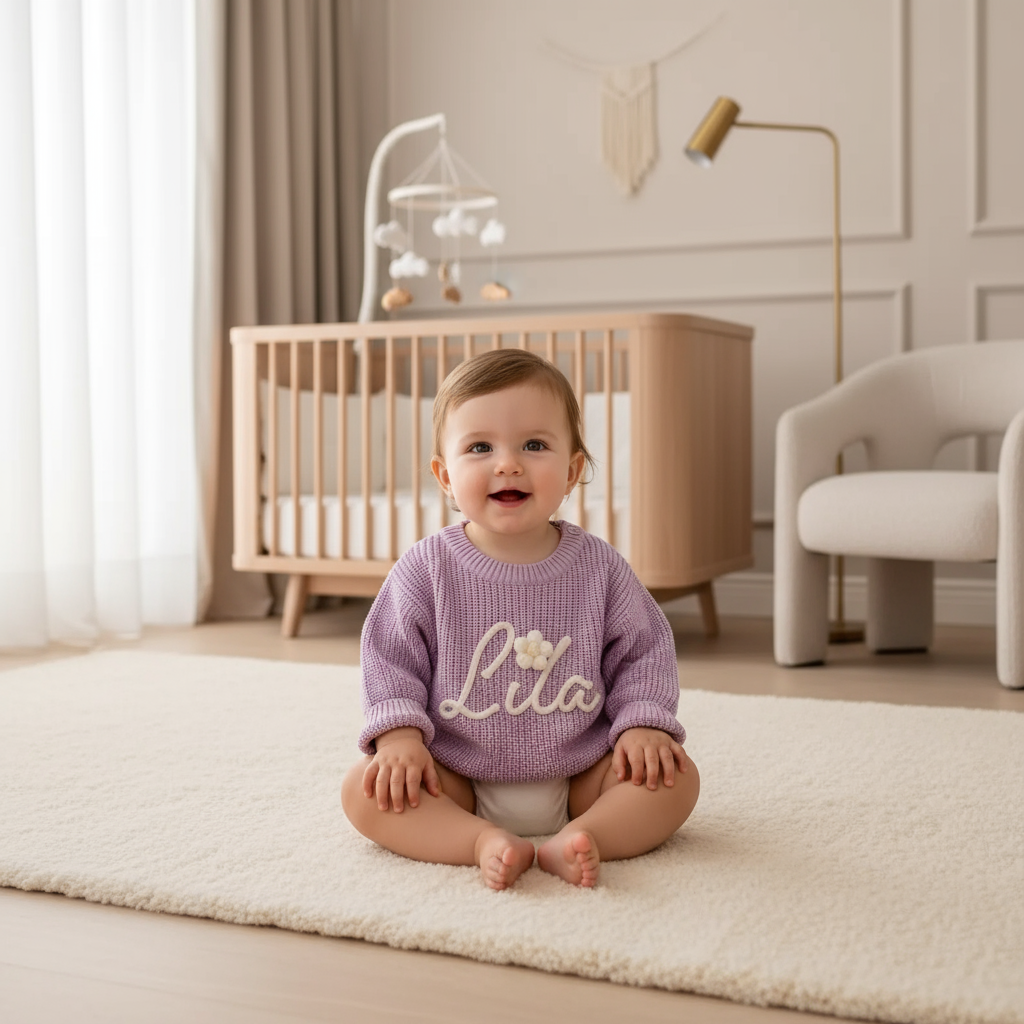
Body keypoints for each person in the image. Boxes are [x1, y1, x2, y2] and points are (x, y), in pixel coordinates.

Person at [341, 348, 700, 890]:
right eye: (480, 447)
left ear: (572, 471)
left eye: (534, 445)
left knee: (676, 778)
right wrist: (398, 739)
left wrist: (644, 724)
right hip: (454, 775)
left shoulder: (600, 567)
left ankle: (583, 837)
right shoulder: (425, 569)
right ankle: (479, 840)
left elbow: (643, 652)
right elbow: (390, 659)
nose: (507, 464)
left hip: (583, 772)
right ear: (445, 475)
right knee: (363, 791)